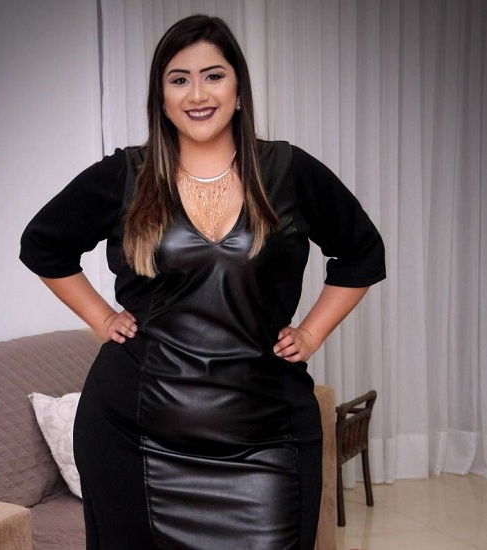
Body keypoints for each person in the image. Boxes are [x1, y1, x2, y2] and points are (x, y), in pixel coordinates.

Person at [19, 13, 386, 550]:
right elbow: (42, 244)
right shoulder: (128, 175)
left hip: (265, 438)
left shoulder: (288, 170)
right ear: (162, 97)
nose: (197, 94)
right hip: (136, 436)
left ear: (238, 89)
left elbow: (362, 252)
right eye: (179, 79)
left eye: (213, 76)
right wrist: (100, 317)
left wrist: (311, 333)